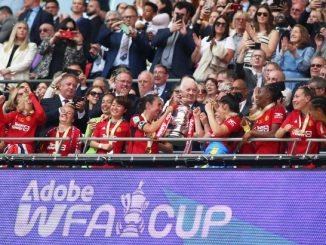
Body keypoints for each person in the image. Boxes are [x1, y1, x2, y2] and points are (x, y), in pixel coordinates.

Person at [98, 5, 153, 78]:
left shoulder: (142, 34)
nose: (128, 19)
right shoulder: (114, 33)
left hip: (132, 72)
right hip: (112, 71)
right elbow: (100, 39)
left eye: (130, 17)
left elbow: (148, 54)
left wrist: (136, 37)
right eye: (125, 17)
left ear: (136, 18)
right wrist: (111, 28)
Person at [150, 1, 196, 78]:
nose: (178, 16)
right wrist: (170, 30)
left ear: (187, 16)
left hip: (176, 74)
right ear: (172, 13)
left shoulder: (190, 33)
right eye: (177, 13)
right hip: (158, 72)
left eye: (182, 15)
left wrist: (184, 35)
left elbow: (193, 52)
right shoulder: (164, 30)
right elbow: (154, 42)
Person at [242, 82, 286, 154]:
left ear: (268, 95)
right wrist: (246, 127)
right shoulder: (260, 113)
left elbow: (274, 133)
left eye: (259, 92)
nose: (256, 96)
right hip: (258, 153)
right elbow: (253, 135)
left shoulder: (277, 109)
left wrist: (251, 132)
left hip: (272, 157)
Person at [0, 86, 46, 154]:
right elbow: (2, 119)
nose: (29, 101)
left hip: (25, 147)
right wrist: (0, 105)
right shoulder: (15, 114)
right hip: (10, 147)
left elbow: (41, 113)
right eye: (26, 99)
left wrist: (31, 95)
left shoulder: (35, 116)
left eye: (31, 99)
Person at [275, 86, 320, 156]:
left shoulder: (316, 116)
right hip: (292, 162)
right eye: (294, 97)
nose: (293, 100)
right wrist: (284, 130)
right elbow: (277, 135)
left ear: (307, 98)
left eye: (297, 97)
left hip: (310, 163)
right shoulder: (293, 114)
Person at [192, 16, 235, 81]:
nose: (220, 26)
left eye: (223, 24)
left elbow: (227, 60)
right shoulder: (206, 39)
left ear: (227, 27)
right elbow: (195, 60)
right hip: (200, 74)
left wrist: (214, 48)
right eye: (218, 23)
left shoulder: (229, 40)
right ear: (214, 25)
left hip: (216, 76)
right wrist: (197, 48)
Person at [274, 24, 314, 90]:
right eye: (292, 32)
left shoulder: (308, 49)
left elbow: (304, 68)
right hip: (281, 80)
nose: (292, 34)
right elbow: (276, 66)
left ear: (302, 35)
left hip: (297, 81)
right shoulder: (285, 48)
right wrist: (282, 52)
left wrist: (295, 54)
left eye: (296, 32)